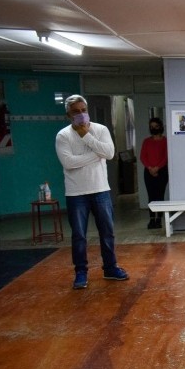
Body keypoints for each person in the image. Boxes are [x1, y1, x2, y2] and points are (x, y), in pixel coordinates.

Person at [55, 95, 129, 289]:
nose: (80, 114)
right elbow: (68, 163)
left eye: (83, 110)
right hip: (75, 193)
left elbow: (110, 154)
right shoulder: (63, 136)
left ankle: (110, 268)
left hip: (101, 190)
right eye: (75, 111)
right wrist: (96, 155)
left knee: (107, 232)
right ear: (68, 114)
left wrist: (86, 136)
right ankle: (81, 272)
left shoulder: (100, 130)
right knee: (79, 235)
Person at [139, 117, 168, 229]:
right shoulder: (146, 141)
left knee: (160, 195)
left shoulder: (165, 141)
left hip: (162, 171)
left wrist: (157, 168)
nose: (153, 128)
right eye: (151, 127)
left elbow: (166, 157)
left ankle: (159, 219)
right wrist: (150, 168)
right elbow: (143, 157)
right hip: (148, 172)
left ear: (160, 127)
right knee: (151, 196)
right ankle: (152, 219)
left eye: (156, 126)